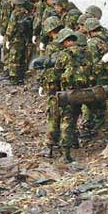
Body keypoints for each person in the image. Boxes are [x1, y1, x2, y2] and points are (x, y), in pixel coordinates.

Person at [53, 28, 93, 162]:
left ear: (66, 41)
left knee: (66, 120)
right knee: (76, 116)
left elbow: (56, 73)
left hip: (68, 93)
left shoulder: (64, 55)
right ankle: (75, 141)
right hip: (83, 92)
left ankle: (65, 154)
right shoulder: (87, 53)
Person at [34, 16, 64, 157]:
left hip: (54, 85)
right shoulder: (70, 42)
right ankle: (70, 140)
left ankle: (50, 145)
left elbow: (46, 66)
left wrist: (41, 83)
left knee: (53, 114)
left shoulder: (53, 46)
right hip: (69, 84)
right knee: (69, 113)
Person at [85, 18, 108, 140]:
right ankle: (102, 130)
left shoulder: (93, 43)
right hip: (106, 77)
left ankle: (101, 131)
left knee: (100, 104)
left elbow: (94, 67)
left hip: (98, 78)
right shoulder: (107, 38)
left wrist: (102, 62)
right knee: (104, 102)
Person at [5, 0, 32, 85]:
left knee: (14, 58)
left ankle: (13, 79)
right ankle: (20, 77)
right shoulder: (26, 11)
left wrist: (8, 38)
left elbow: (11, 26)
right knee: (21, 57)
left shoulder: (15, 12)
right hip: (23, 38)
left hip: (16, 38)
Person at [0, 0, 12, 77]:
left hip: (7, 30)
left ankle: (7, 71)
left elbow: (5, 19)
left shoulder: (6, 3)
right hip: (6, 29)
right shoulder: (2, 2)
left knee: (7, 51)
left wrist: (2, 32)